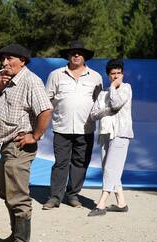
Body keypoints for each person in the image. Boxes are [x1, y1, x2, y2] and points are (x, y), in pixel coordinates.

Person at [0, 44, 52, 242]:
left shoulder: (30, 80)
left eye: (9, 59)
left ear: (22, 60)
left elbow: (45, 109)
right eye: (3, 59)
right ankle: (16, 236)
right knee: (4, 191)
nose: (4, 63)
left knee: (18, 196)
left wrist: (35, 135)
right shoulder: (3, 80)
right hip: (6, 145)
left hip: (21, 145)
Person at [43, 40, 103, 210]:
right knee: (60, 163)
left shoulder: (96, 77)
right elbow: (47, 100)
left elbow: (100, 103)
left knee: (80, 163)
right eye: (73, 53)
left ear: (84, 57)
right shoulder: (56, 75)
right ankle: (54, 197)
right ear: (68, 56)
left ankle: (73, 195)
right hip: (62, 127)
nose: (76, 55)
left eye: (80, 53)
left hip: (86, 128)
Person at [88, 59, 133, 216]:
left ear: (122, 74)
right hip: (105, 134)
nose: (116, 76)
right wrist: (106, 110)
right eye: (112, 74)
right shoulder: (102, 94)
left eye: (118, 73)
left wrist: (113, 88)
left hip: (120, 133)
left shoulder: (126, 88)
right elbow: (94, 114)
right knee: (111, 168)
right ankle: (121, 203)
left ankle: (101, 204)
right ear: (108, 75)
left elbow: (116, 104)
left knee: (111, 168)